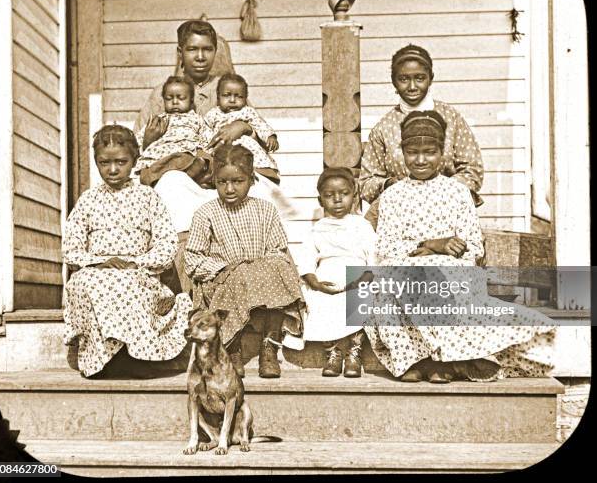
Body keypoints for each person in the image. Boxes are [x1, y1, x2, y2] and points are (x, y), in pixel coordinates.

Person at [363, 111, 555, 383]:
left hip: (449, 268)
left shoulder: (457, 192)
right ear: (402, 152)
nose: (420, 160)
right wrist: (430, 243)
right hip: (406, 266)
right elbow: (385, 247)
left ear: (442, 153)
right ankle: (416, 359)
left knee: (446, 277)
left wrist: (443, 250)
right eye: (412, 152)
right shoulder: (392, 195)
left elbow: (474, 245)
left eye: (429, 152)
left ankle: (446, 360)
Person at [62, 125, 192, 378]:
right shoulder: (88, 200)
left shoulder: (147, 197)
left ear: (134, 160)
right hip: (97, 270)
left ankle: (133, 357)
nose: (112, 170)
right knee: (85, 283)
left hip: (138, 271)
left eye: (121, 162)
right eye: (104, 162)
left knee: (128, 283)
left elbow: (166, 243)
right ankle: (100, 360)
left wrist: (136, 263)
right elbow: (70, 248)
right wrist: (99, 262)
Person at [183, 144, 304, 379]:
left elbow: (277, 249)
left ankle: (269, 344)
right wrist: (224, 268)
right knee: (238, 275)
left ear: (251, 179)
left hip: (260, 278)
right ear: (214, 180)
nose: (229, 188)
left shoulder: (265, 210)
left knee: (281, 266)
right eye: (222, 182)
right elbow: (192, 258)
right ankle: (232, 347)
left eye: (237, 181)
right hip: (222, 279)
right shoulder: (206, 213)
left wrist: (255, 268)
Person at [133, 20, 255, 235]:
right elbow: (137, 145)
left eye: (207, 49)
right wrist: (148, 141)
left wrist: (243, 126)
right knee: (171, 186)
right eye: (192, 49)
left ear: (215, 51)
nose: (200, 57)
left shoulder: (227, 87)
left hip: (220, 178)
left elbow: (255, 128)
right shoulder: (164, 92)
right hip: (178, 177)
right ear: (180, 52)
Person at [359, 44, 484, 229]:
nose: (412, 86)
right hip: (400, 214)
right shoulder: (383, 128)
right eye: (403, 79)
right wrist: (392, 185)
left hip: (447, 210)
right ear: (394, 82)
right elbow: (366, 182)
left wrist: (440, 191)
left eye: (419, 78)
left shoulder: (450, 118)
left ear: (430, 79)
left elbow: (472, 169)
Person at [293, 167, 377, 378]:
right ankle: (333, 352)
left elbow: (373, 255)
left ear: (354, 196)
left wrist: (364, 277)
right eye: (329, 196)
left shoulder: (362, 225)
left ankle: (353, 352)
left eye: (344, 194)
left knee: (360, 298)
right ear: (320, 200)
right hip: (327, 277)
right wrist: (315, 282)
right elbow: (306, 258)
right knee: (317, 300)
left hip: (356, 275)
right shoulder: (318, 228)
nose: (337, 200)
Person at [204, 73, 297, 218]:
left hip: (248, 150)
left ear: (245, 99)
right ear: (218, 97)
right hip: (225, 150)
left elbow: (261, 125)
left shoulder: (247, 112)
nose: (233, 100)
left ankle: (262, 174)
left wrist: (270, 136)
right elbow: (205, 131)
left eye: (239, 96)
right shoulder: (213, 115)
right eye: (227, 95)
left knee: (253, 171)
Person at [134, 75, 213, 187]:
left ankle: (191, 174)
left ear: (190, 101)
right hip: (163, 156)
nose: (175, 102)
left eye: (181, 98)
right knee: (147, 170)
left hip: (185, 153)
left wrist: (206, 151)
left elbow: (208, 137)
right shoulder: (159, 119)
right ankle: (161, 181)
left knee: (199, 159)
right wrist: (146, 141)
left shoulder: (196, 118)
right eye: (169, 98)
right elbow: (139, 139)